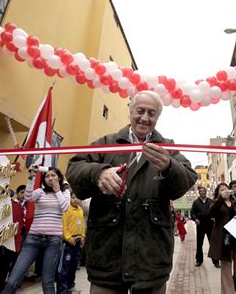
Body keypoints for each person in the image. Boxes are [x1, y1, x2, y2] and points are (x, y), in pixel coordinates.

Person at [66, 90, 197, 293]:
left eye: (151, 113)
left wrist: (170, 167)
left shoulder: (168, 148)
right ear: (130, 110)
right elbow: (74, 168)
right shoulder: (107, 143)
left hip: (150, 261)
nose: (145, 118)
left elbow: (188, 178)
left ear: (157, 117)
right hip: (107, 259)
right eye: (140, 111)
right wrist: (97, 173)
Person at [3, 166, 70, 294]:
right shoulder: (40, 192)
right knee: (13, 280)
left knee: (47, 281)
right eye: (47, 176)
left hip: (53, 241)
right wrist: (31, 177)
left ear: (59, 178)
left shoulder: (64, 193)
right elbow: (28, 197)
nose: (50, 178)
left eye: (53, 175)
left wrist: (57, 190)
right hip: (33, 239)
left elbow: (65, 207)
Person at [208, 182, 236, 294]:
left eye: (226, 188)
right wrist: (221, 198)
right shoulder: (215, 203)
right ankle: (228, 291)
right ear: (218, 193)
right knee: (226, 268)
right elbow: (210, 213)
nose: (225, 190)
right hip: (224, 239)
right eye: (222, 189)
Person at [57, 190, 85, 294]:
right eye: (73, 197)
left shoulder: (80, 210)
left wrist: (82, 237)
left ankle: (70, 286)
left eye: (77, 197)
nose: (75, 199)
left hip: (77, 241)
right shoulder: (66, 210)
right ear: (69, 198)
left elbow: (82, 225)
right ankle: (62, 290)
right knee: (64, 267)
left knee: (73, 266)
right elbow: (63, 226)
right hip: (68, 243)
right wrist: (69, 238)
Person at [190, 186, 219, 268]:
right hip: (200, 226)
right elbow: (192, 213)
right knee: (199, 244)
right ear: (199, 193)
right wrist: (195, 219)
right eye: (201, 191)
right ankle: (199, 260)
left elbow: (216, 211)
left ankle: (216, 261)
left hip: (210, 225)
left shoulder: (211, 201)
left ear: (206, 192)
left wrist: (214, 217)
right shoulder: (195, 202)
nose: (202, 192)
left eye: (204, 191)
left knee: (212, 243)